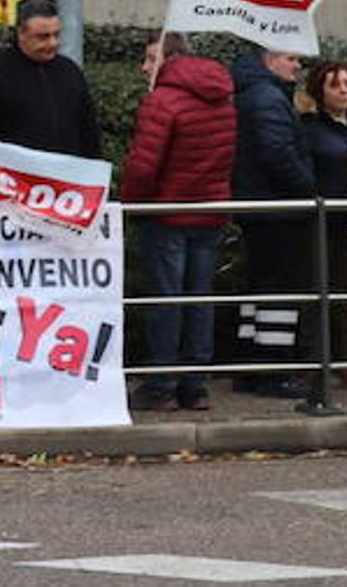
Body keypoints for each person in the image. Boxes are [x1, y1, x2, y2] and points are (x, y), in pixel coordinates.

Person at [122, 32, 236, 412]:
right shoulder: (222, 98)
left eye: (149, 58)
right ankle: (196, 385)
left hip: (166, 213)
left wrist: (131, 204)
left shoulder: (162, 101)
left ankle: (161, 385)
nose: (143, 67)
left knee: (166, 301)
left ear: (168, 58)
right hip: (210, 211)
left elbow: (143, 165)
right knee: (199, 300)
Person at [230, 44, 316, 400]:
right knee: (280, 290)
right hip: (278, 206)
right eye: (291, 58)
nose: (297, 65)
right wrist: (309, 184)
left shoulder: (254, 92)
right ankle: (275, 369)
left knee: (260, 287)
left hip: (260, 205)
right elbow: (277, 152)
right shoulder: (268, 97)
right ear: (270, 60)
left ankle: (253, 365)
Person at [299, 60, 347, 391]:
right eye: (335, 84)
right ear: (320, 91)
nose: (343, 90)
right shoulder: (309, 128)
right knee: (316, 294)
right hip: (319, 222)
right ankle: (312, 362)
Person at [0, 0, 101, 158]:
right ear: (21, 34)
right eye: (43, 37)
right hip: (17, 176)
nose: (53, 43)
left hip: (66, 176)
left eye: (56, 35)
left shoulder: (70, 72)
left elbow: (88, 130)